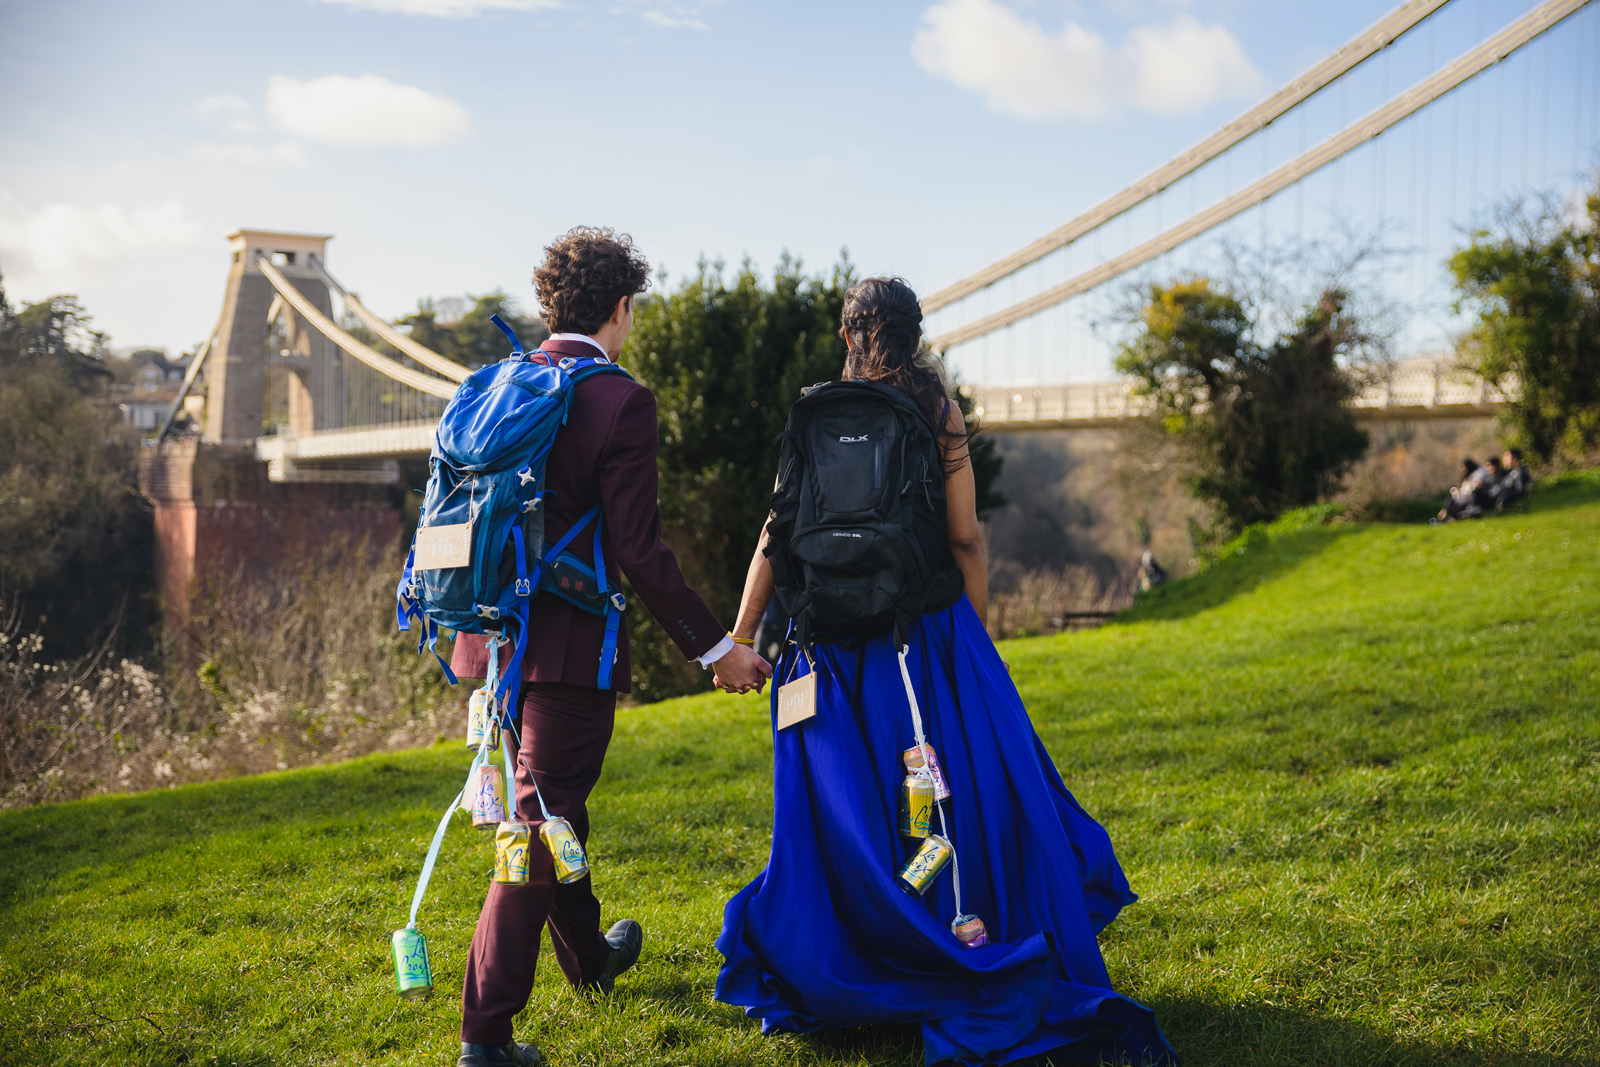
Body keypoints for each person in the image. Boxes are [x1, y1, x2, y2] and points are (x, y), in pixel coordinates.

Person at [714, 278, 1178, 1066]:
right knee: (952, 793)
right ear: (916, 332)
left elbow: (775, 528)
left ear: (846, 332)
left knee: (850, 805)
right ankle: (965, 932)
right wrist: (978, 634)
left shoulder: (814, 412)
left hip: (827, 647)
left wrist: (740, 631)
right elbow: (964, 538)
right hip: (919, 637)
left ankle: (857, 954)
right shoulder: (936, 410)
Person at [448, 227, 772, 1067]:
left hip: (490, 646)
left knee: (553, 807)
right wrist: (716, 649)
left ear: (550, 304)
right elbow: (639, 550)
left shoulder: (494, 383)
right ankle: (485, 1036)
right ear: (622, 308)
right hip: (566, 651)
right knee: (534, 827)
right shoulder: (619, 399)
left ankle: (589, 956)